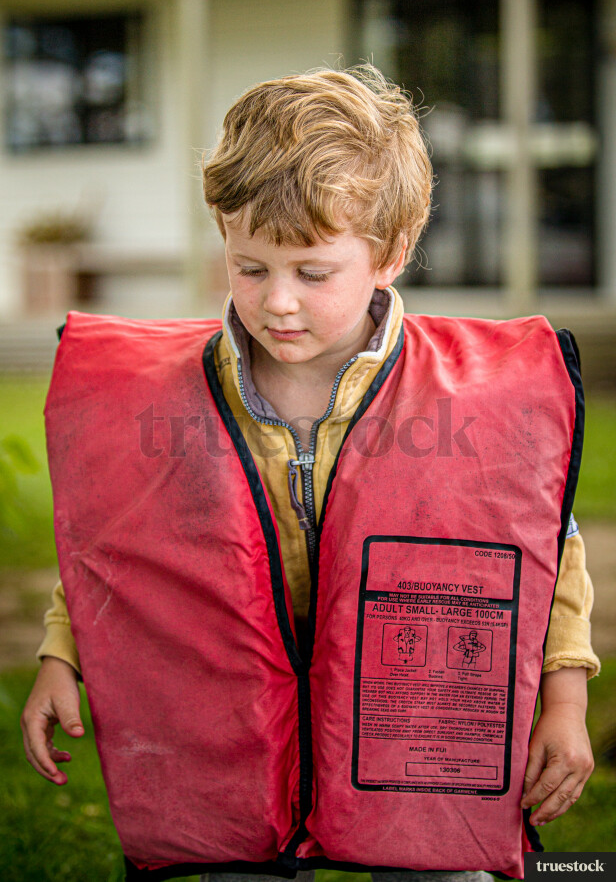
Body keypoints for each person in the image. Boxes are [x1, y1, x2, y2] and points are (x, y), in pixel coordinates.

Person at [21, 65, 599, 882]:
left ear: (391, 255)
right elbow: (120, 542)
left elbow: (549, 550)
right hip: (226, 731)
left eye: (312, 273)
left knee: (444, 868)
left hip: (414, 729)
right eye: (249, 267)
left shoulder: (475, 401)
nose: (277, 302)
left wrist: (565, 701)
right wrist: (61, 656)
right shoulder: (176, 400)